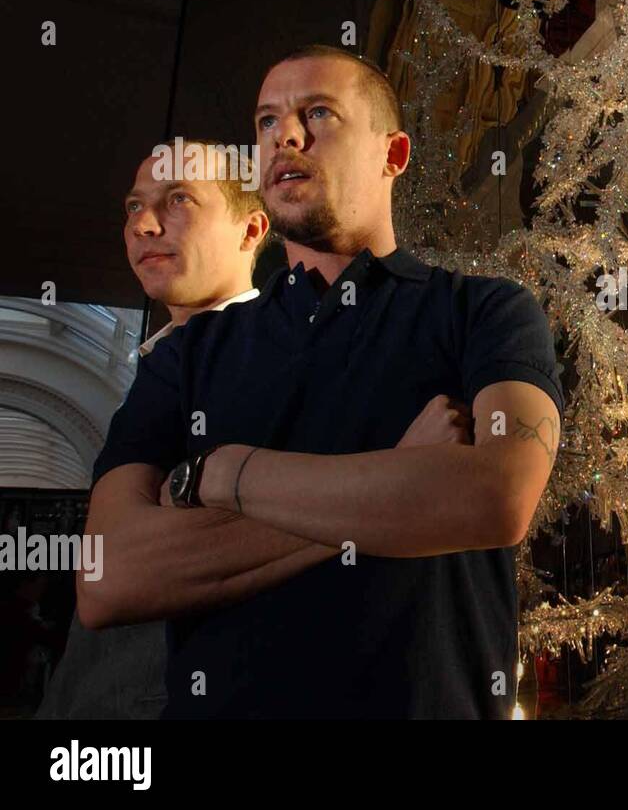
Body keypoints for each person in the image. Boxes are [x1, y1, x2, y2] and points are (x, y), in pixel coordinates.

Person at [78, 46, 563, 718]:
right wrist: (403, 479)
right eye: (267, 121)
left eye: (318, 114)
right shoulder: (187, 356)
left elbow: (498, 495)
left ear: (393, 155)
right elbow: (109, 577)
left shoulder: (486, 312)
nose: (286, 136)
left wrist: (227, 476)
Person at [38, 140, 269, 718]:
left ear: (251, 230)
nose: (142, 223)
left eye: (179, 199)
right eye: (133, 206)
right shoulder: (163, 363)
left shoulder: (273, 362)